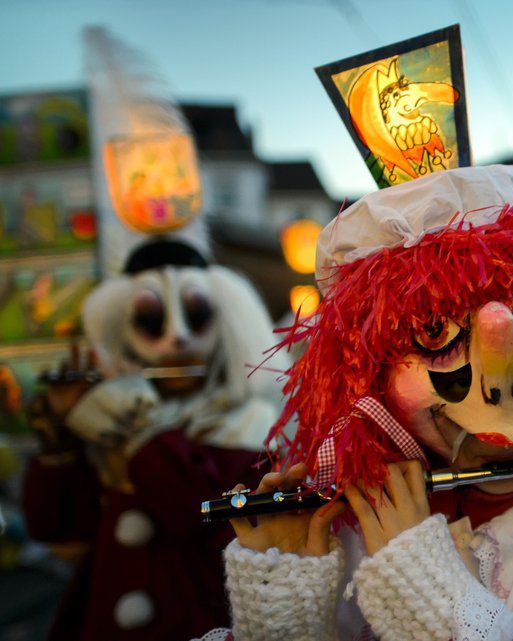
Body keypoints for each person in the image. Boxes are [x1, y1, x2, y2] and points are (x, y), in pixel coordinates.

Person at [200, 162, 513, 641]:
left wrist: (431, 595)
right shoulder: (338, 537)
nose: (506, 387)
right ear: (369, 375)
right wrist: (284, 620)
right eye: (436, 333)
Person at [20, 27, 288, 641]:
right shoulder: (103, 411)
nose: (174, 339)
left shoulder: (254, 428)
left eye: (196, 318)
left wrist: (129, 422)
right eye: (149, 320)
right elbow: (55, 526)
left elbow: (196, 509)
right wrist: (61, 445)